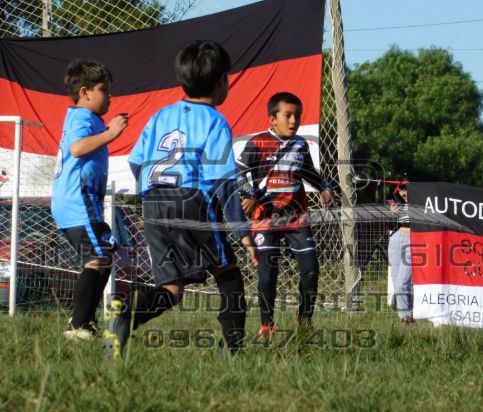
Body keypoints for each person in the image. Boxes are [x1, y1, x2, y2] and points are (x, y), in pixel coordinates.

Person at [103, 40, 258, 359]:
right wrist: (243, 232)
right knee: (228, 272)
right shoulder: (215, 121)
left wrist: (152, 195)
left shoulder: (160, 115)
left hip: (154, 204)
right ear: (222, 81)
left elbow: (137, 161)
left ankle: (126, 313)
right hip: (191, 203)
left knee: (171, 289)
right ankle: (232, 350)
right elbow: (224, 181)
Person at [237, 92, 335, 339]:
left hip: (296, 217)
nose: (293, 121)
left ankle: (305, 319)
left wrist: (324, 188)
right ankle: (267, 326)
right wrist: (249, 194)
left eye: (297, 116)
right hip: (266, 218)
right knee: (268, 273)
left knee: (311, 270)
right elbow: (238, 173)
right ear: (272, 119)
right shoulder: (257, 142)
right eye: (288, 115)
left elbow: (309, 172)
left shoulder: (301, 144)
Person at [51, 59, 128, 340]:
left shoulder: (89, 119)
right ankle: (77, 326)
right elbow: (77, 148)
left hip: (82, 204)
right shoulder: (82, 117)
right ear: (85, 92)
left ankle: (85, 320)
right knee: (97, 259)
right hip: (77, 202)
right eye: (104, 90)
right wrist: (111, 133)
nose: (109, 96)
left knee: (104, 256)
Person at [387, 175, 414, 324]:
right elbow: (389, 227)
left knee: (402, 283)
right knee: (396, 280)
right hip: (395, 240)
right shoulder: (396, 203)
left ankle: (406, 316)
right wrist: (391, 215)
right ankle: (406, 317)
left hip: (412, 241)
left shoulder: (421, 203)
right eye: (402, 189)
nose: (404, 192)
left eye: (407, 188)